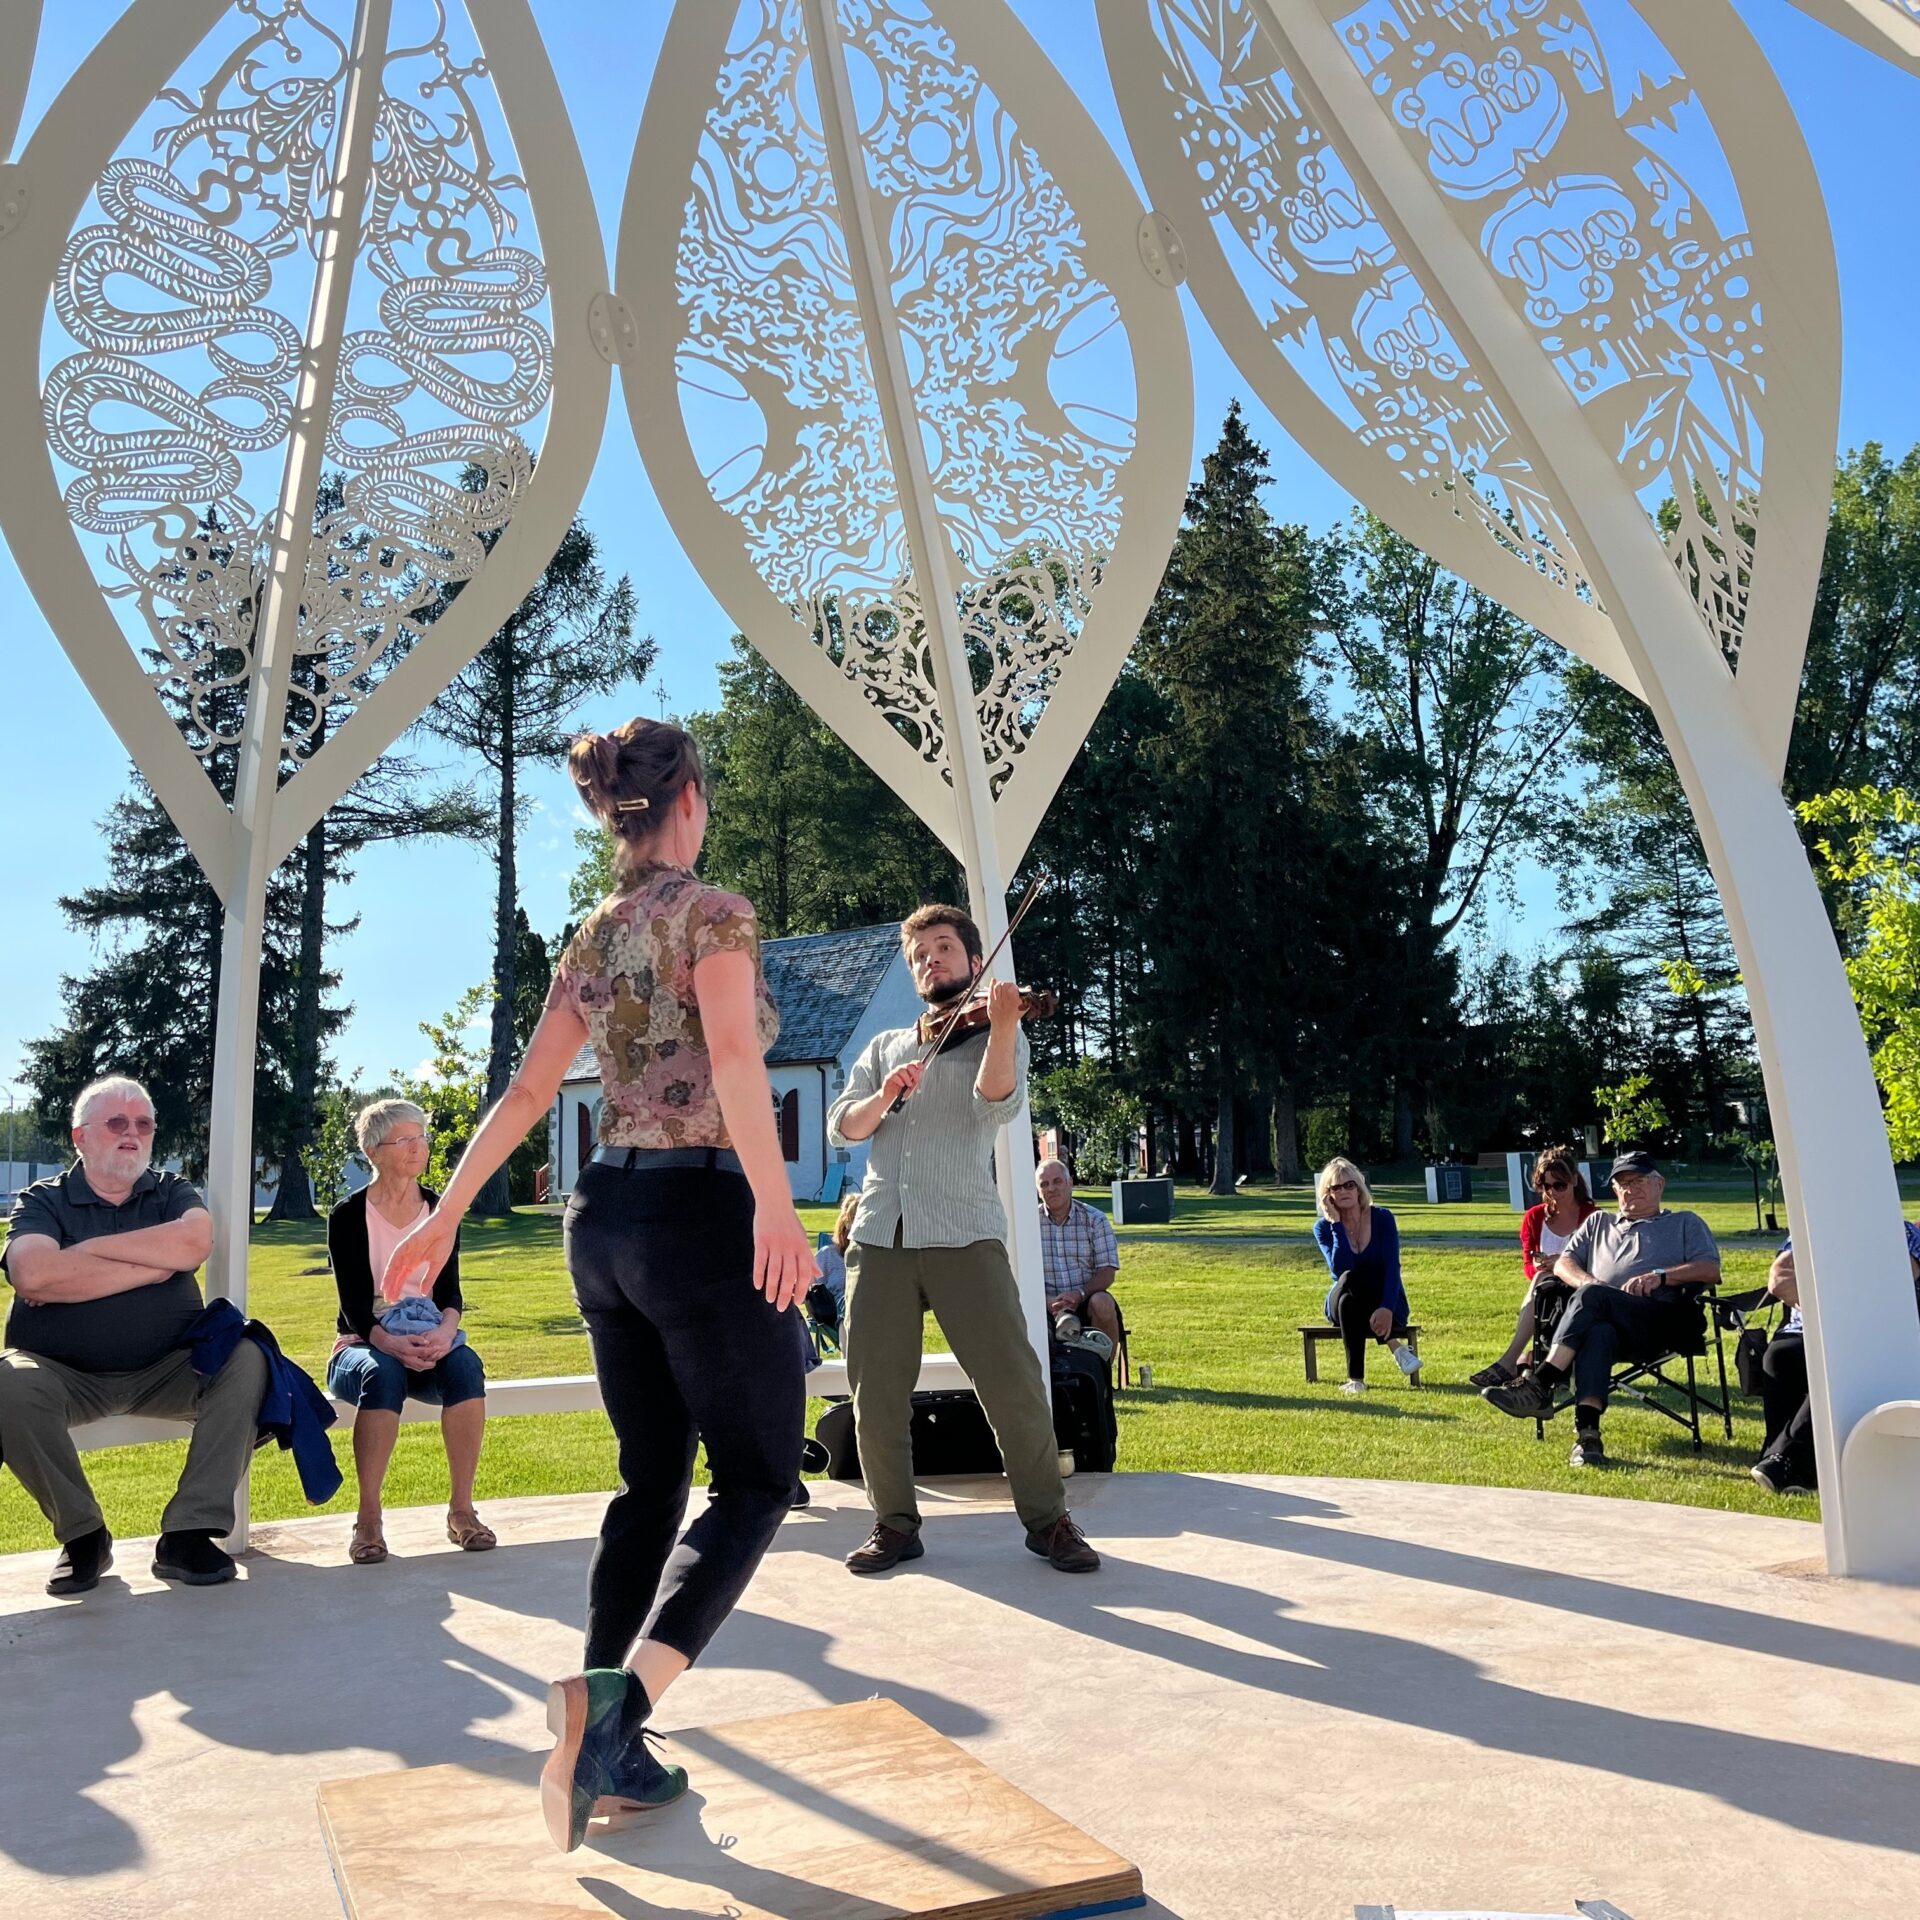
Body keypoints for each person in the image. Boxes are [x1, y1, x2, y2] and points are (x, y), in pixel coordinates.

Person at [380, 717, 816, 1854]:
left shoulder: (594, 929)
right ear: (686, 803)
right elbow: (731, 1060)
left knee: (649, 1483)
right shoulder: (713, 913)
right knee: (762, 1478)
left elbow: (528, 1092)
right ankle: (617, 1714)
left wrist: (444, 1213)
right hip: (699, 1211)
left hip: (604, 1219)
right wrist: (778, 1204)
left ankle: (596, 1724)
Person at [827, 904, 1100, 1578]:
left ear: (974, 962)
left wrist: (1004, 1026)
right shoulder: (885, 1048)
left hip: (964, 1233)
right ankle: (893, 1524)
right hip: (880, 1234)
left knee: (1011, 1381)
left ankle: (1048, 1520)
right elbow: (844, 1127)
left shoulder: (995, 1035)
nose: (931, 962)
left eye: (944, 949)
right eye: (920, 955)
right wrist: (885, 1095)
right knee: (876, 1389)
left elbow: (995, 1101)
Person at [0, 1075, 266, 1593]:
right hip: (62, 1374)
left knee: (249, 1356)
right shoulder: (42, 1200)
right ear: (79, 1137)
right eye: (117, 1122)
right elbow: (32, 1274)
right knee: (6, 1381)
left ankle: (188, 1533)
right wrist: (157, 1264)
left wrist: (76, 1259)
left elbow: (194, 1240)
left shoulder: (171, 1191)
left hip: (168, 1369)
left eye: (143, 1124)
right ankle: (83, 1537)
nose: (132, 1134)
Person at [325, 1098, 490, 1565]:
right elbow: (354, 1308)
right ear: (374, 1151)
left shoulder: (440, 1210)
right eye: (405, 1139)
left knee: (466, 1365)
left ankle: (462, 1512)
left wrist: (445, 1334)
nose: (419, 1147)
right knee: (383, 1374)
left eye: (422, 1137)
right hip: (362, 1343)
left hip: (427, 1340)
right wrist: (390, 1342)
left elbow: (451, 1296)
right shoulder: (347, 1216)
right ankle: (369, 1520)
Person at [1482, 1149, 1720, 1467]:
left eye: (1639, 1181)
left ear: (1659, 1184)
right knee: (1598, 1331)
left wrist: (1662, 1276)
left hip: (1656, 1321)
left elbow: (1709, 1269)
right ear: (1614, 1190)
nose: (1630, 1188)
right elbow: (1564, 1262)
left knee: (1594, 1299)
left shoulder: (1683, 1223)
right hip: (1604, 1319)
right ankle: (1588, 1438)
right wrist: (1588, 1284)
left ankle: (1541, 1382)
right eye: (1622, 1183)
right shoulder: (1598, 1223)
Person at [1749, 1220, 1920, 1495]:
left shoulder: (1900, 1230)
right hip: (1808, 1326)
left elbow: (1896, 1279)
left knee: (1835, 1364)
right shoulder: (1810, 1226)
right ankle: (1789, 1463)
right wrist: (1835, 1299)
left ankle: (1783, 1458)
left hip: (1863, 1333)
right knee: (1779, 1357)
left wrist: (1822, 1280)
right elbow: (1780, 1281)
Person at [1469, 1147, 1597, 1390]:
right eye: (1546, 1186)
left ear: (1573, 1181)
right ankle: (1525, 1364)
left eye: (1559, 1185)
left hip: (1580, 1290)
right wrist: (1541, 1265)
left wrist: (1562, 1262)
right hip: (1545, 1289)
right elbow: (1528, 1264)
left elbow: (1599, 1261)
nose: (1552, 1192)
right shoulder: (1534, 1217)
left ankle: (1512, 1361)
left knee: (1544, 1279)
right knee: (1540, 1277)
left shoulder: (1592, 1216)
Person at [1312, 1157, 1420, 1395]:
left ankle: (1356, 1380)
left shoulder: (1382, 1218)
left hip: (1386, 1301)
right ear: (1327, 1195)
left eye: (1349, 1185)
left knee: (1350, 1302)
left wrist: (1386, 1307)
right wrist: (1336, 1225)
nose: (1344, 1191)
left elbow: (1393, 1267)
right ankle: (1395, 1346)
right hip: (1338, 1302)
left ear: (1359, 1187)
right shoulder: (1323, 1227)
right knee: (1350, 1277)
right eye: (1336, 1187)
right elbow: (1339, 1269)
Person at [1035, 1157, 1121, 1356]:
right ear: (1039, 1191)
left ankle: (1101, 1373)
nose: (1051, 1188)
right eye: (1044, 1184)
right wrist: (1044, 1301)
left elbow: (1107, 1272)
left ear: (1070, 1183)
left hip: (1085, 1297)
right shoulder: (1027, 1223)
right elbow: (1016, 1273)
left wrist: (1079, 1294)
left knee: (1103, 1303)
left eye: (1057, 1181)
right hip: (1043, 1301)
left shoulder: (1095, 1220)